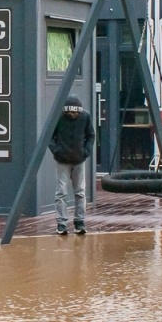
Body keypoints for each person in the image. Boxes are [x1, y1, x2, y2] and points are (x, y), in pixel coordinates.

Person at [49, 95, 94, 235]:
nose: (73, 115)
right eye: (71, 112)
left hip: (77, 159)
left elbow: (90, 135)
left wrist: (86, 152)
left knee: (78, 192)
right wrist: (56, 151)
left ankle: (79, 222)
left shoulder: (85, 117)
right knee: (63, 192)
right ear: (65, 111)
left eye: (76, 112)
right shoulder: (61, 117)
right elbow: (50, 136)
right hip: (65, 159)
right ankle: (62, 223)